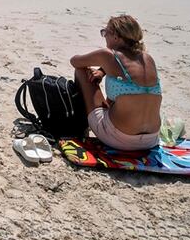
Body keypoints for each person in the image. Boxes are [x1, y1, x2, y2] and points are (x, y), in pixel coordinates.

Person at [69, 14, 162, 151]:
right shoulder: (148, 59)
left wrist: (100, 66)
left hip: (119, 138)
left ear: (116, 37)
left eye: (105, 32)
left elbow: (75, 61)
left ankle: (80, 126)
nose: (104, 36)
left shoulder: (107, 55)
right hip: (151, 139)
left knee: (81, 71)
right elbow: (125, 72)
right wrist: (103, 70)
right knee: (125, 97)